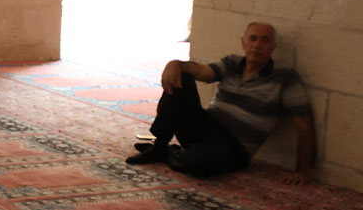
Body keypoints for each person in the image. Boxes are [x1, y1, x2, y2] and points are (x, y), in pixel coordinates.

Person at [125, 22, 316, 183]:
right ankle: (159, 146)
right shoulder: (233, 63)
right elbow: (200, 71)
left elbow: (304, 125)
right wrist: (175, 64)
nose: (257, 45)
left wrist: (303, 170)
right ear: (243, 43)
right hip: (206, 127)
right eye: (253, 39)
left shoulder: (285, 78)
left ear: (273, 47)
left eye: (265, 40)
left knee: (197, 165)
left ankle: (171, 153)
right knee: (183, 77)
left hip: (235, 146)